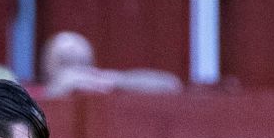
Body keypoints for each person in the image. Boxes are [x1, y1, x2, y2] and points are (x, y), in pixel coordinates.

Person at [38, 29, 182, 95]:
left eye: (80, 64)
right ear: (47, 66)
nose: (74, 74)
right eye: (65, 62)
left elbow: (171, 84)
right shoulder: (35, 94)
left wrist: (115, 81)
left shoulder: (107, 85)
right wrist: (60, 88)